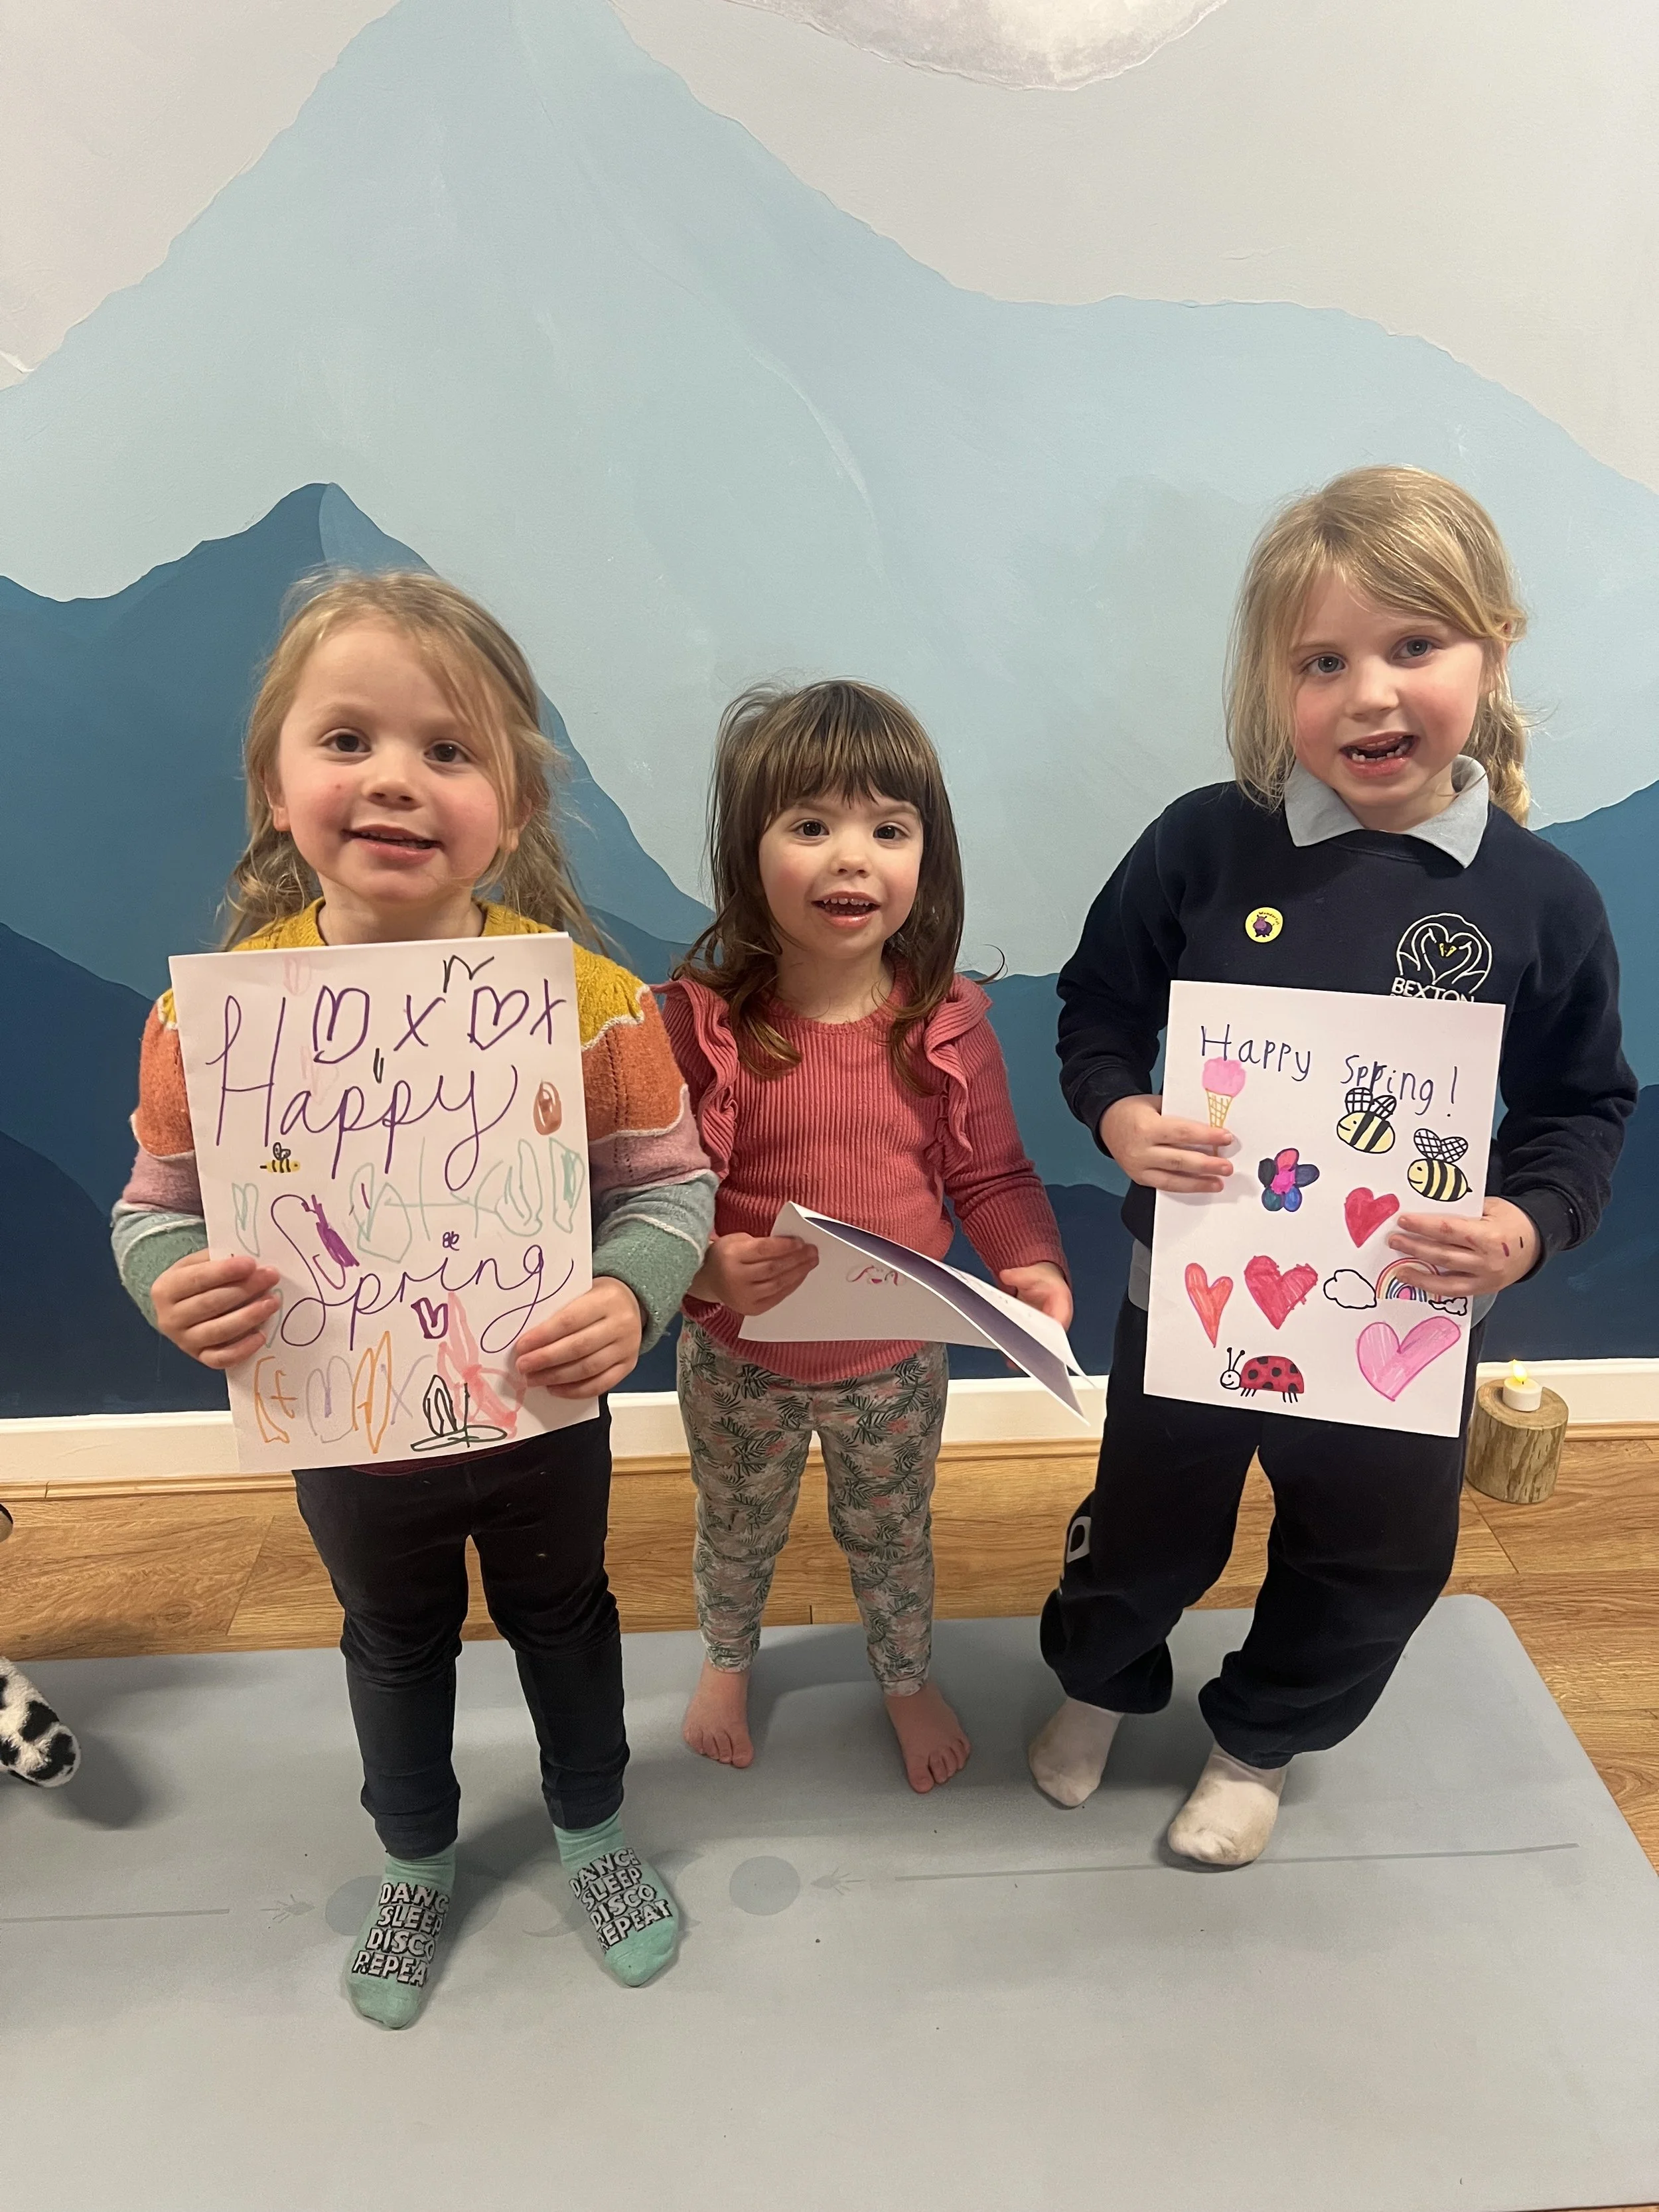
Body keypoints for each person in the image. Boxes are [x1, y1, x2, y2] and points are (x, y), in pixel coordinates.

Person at [111, 573, 715, 2024]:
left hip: (534, 1412)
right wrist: (170, 1290)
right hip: (346, 1429)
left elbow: (670, 1188)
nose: (395, 779)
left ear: (509, 804)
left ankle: (590, 1830)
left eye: (449, 751)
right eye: (347, 742)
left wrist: (633, 1296)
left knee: (564, 1618)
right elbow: (154, 1204)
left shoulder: (583, 999)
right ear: (274, 786)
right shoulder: (209, 1018)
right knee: (392, 1639)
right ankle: (416, 1858)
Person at [1031, 466, 1636, 1866]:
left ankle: (1257, 1740)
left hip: (1399, 1325)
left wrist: (1527, 1226)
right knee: (1136, 1531)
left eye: (1412, 645)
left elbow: (1578, 1108)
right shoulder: (1202, 841)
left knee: (1371, 1559)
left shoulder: (1541, 902)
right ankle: (1095, 1679)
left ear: (1490, 649)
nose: (1368, 693)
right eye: (1323, 660)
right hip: (1189, 1295)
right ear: (1271, 681)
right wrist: (1121, 1117)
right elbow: (1097, 1010)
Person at [662, 681, 1072, 1791]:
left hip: (893, 1366)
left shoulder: (945, 1027)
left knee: (893, 1537)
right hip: (735, 1358)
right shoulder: (698, 1024)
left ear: (925, 859)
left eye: (888, 829)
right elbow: (643, 1194)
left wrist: (1029, 1264)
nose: (854, 859)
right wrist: (700, 1264)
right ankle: (726, 1659)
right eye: (811, 825)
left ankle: (905, 1675)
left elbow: (989, 1172)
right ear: (749, 855)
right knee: (734, 1532)